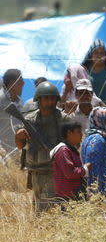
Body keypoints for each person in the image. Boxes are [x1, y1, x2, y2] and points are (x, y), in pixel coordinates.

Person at [15, 81, 72, 212]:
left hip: (54, 172)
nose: (50, 102)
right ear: (39, 100)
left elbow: (73, 146)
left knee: (51, 211)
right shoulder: (30, 119)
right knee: (38, 210)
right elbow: (20, 146)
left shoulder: (63, 119)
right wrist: (19, 136)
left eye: (52, 98)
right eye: (46, 98)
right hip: (35, 171)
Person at [81, 106, 106, 202]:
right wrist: (95, 195)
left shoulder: (95, 137)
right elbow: (93, 171)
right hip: (103, 192)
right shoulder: (97, 140)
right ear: (99, 121)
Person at [51, 121, 91, 201]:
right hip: (68, 197)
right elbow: (70, 173)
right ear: (69, 133)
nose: (81, 135)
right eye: (78, 132)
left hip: (74, 194)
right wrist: (85, 169)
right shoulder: (63, 150)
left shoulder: (70, 149)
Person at [0, 69, 24, 160]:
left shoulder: (19, 101)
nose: (23, 84)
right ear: (12, 83)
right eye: (20, 81)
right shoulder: (1, 100)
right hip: (2, 151)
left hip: (15, 149)